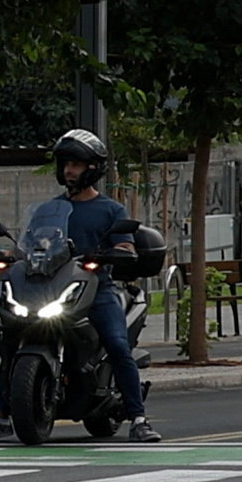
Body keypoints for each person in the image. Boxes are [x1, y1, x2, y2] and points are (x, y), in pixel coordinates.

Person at [27, 130, 166, 439]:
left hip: (97, 289)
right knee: (13, 339)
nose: (69, 171)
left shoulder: (111, 210)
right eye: (66, 164)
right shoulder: (48, 210)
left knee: (117, 344)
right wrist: (13, 255)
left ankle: (139, 419)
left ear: (93, 168)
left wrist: (120, 252)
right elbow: (31, 243)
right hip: (52, 289)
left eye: (76, 164)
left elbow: (126, 245)